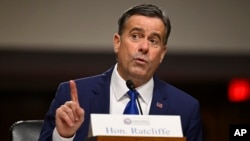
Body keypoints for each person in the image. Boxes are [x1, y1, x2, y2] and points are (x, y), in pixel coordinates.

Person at [38, 3, 203, 141]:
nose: (144, 47)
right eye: (136, 36)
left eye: (153, 41)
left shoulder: (185, 109)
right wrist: (64, 137)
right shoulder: (75, 96)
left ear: (162, 53)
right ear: (117, 42)